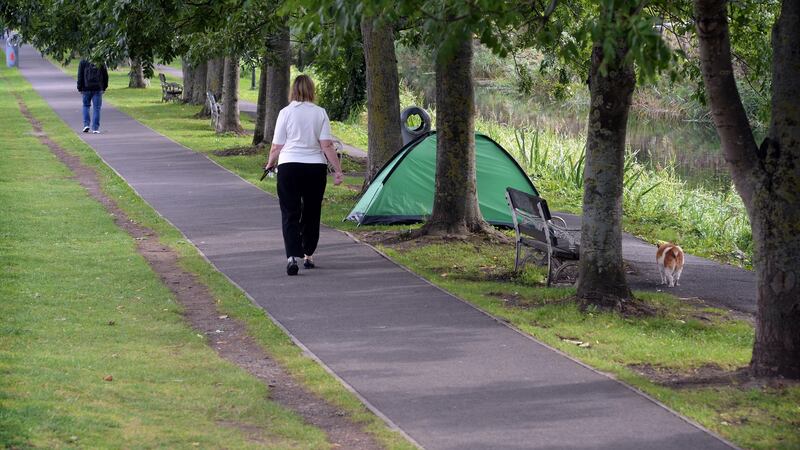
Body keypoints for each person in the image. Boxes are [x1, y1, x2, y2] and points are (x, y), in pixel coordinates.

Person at [265, 75, 344, 276]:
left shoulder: (285, 113)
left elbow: (277, 145)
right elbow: (326, 145)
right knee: (311, 211)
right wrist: (337, 170)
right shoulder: (320, 113)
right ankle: (308, 253)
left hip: (289, 166)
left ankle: (292, 256)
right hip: (314, 168)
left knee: (290, 212)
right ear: (311, 90)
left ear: (293, 90)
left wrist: (270, 163)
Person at [76, 58, 109, 133]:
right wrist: (104, 87)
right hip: (98, 88)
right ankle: (95, 128)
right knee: (96, 108)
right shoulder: (100, 60)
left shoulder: (83, 61)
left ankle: (86, 125)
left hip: (86, 88)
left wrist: (79, 87)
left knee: (86, 106)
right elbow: (105, 75)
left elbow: (80, 75)